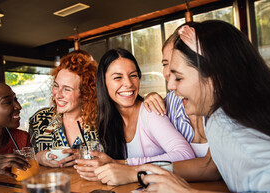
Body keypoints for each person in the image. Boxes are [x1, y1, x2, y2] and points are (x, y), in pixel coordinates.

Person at [133, 20, 270, 193]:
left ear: (214, 75)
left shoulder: (226, 122)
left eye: (179, 77)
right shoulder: (252, 107)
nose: (171, 86)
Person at [75, 48, 195, 185]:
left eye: (133, 75)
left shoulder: (150, 111)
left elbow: (185, 156)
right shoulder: (107, 120)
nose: (129, 83)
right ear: (103, 82)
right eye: (118, 77)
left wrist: (121, 164)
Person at [144, 24, 219, 181]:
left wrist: (137, 171)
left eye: (176, 64)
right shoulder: (170, 101)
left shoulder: (223, 108)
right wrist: (149, 97)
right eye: (165, 64)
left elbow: (212, 167)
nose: (168, 73)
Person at [29, 50, 99, 168]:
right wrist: (37, 158)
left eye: (67, 89)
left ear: (85, 93)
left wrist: (85, 155)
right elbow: (24, 158)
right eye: (56, 86)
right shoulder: (39, 120)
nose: (58, 95)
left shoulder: (102, 122)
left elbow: (115, 161)